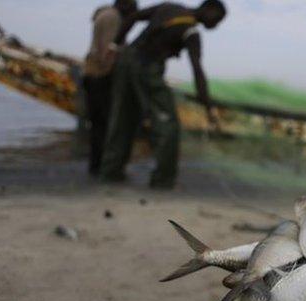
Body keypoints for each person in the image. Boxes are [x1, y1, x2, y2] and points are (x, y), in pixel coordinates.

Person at [100, 0, 226, 189]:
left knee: (122, 118)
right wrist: (208, 106)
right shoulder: (191, 32)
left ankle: (111, 172)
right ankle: (163, 180)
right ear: (209, 10)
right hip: (147, 68)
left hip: (126, 60)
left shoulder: (170, 7)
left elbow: (134, 17)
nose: (216, 25)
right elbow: (197, 70)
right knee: (168, 125)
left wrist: (114, 46)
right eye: (217, 20)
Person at [83, 0, 138, 175]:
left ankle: (97, 166)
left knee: (98, 125)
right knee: (107, 125)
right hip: (101, 77)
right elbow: (108, 52)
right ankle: (105, 168)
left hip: (93, 75)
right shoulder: (113, 18)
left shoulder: (104, 15)